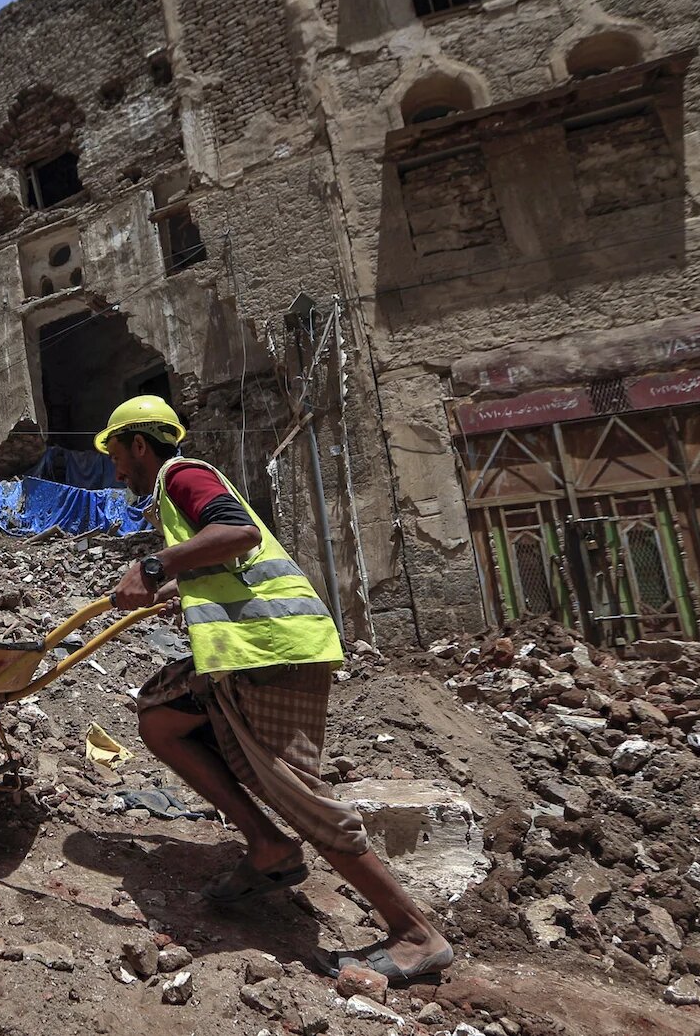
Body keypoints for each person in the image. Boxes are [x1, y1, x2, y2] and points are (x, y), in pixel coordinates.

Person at [97, 395, 453, 985]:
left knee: (297, 793)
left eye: (115, 451)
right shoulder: (174, 490)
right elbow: (227, 563)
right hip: (245, 657)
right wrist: (170, 589)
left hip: (275, 653)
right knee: (159, 716)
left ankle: (416, 933)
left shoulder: (181, 474)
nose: (114, 468)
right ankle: (267, 846)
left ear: (139, 443)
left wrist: (158, 566)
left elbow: (236, 532)